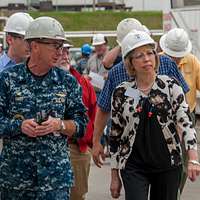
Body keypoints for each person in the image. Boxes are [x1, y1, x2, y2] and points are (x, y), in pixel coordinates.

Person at [0, 16, 88, 200]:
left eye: (61, 46)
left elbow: (82, 125)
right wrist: (20, 126)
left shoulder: (68, 82)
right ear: (35, 46)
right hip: (16, 180)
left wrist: (60, 125)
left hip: (55, 181)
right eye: (54, 45)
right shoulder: (8, 79)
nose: (60, 52)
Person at [109, 30, 200, 200]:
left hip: (168, 164)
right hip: (133, 166)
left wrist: (193, 158)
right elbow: (115, 134)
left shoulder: (171, 86)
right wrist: (114, 176)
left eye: (150, 53)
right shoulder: (121, 92)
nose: (146, 58)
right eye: (139, 55)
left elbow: (185, 122)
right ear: (130, 62)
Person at [92, 19, 189, 168]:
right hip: (132, 148)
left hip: (164, 143)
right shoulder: (116, 73)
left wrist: (181, 132)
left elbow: (182, 101)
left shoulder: (166, 64)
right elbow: (104, 108)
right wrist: (97, 141)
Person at [159, 27, 200, 193]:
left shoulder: (192, 61)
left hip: (185, 115)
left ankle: (175, 193)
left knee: (182, 161)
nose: (175, 58)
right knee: (162, 160)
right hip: (161, 117)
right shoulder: (156, 61)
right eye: (171, 54)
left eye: (178, 55)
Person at [57, 43, 97, 200]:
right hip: (49, 148)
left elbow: (94, 113)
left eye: (67, 52)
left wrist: (93, 144)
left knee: (77, 195)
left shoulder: (83, 83)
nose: (65, 56)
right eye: (60, 52)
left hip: (77, 148)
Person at [0, 12, 33, 155]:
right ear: (9, 39)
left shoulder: (39, 70)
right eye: (24, 39)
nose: (30, 45)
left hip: (31, 145)